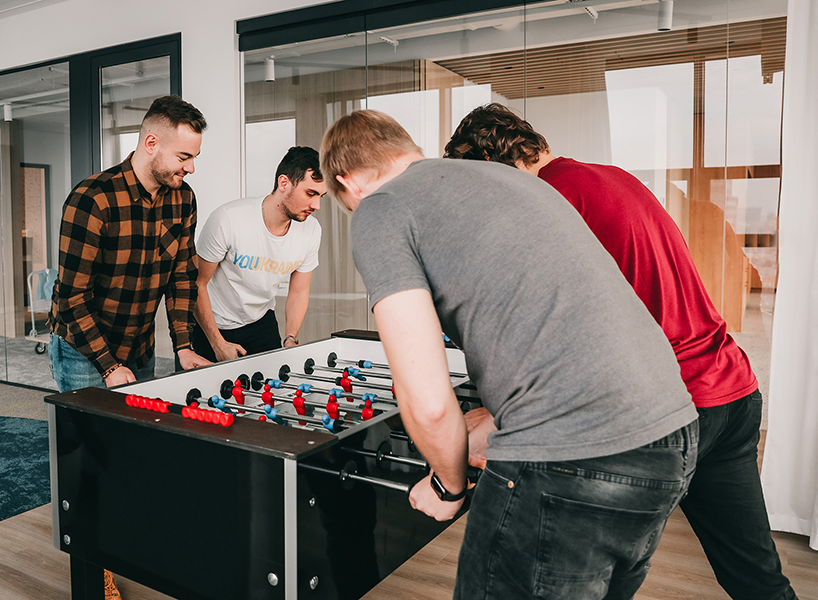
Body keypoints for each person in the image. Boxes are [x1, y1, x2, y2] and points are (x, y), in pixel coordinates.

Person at [320, 109, 698, 599]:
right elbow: (573, 331)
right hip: (671, 437)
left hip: (572, 458)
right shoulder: (508, 178)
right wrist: (498, 424)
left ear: (348, 183)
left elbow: (425, 396)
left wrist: (447, 486)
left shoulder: (380, 206)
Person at [444, 102, 796, 600]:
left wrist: (502, 417)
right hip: (731, 391)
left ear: (495, 165)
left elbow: (557, 332)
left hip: (667, 408)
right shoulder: (611, 177)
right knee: (756, 576)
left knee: (590, 582)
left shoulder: (549, 200)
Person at [48, 95, 213, 599]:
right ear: (150, 142)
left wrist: (183, 346)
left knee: (130, 457)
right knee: (91, 463)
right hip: (85, 351)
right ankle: (94, 569)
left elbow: (181, 277)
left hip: (138, 347)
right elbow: (70, 297)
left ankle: (124, 544)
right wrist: (109, 365)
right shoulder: (91, 199)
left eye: (194, 160)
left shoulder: (182, 199)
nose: (188, 169)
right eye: (183, 157)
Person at [192, 146, 324, 362]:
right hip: (212, 325)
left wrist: (291, 338)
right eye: (310, 193)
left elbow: (298, 292)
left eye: (321, 196)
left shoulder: (311, 230)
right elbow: (198, 283)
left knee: (269, 392)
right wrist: (217, 344)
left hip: (261, 322)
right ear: (284, 183)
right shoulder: (228, 219)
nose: (316, 205)